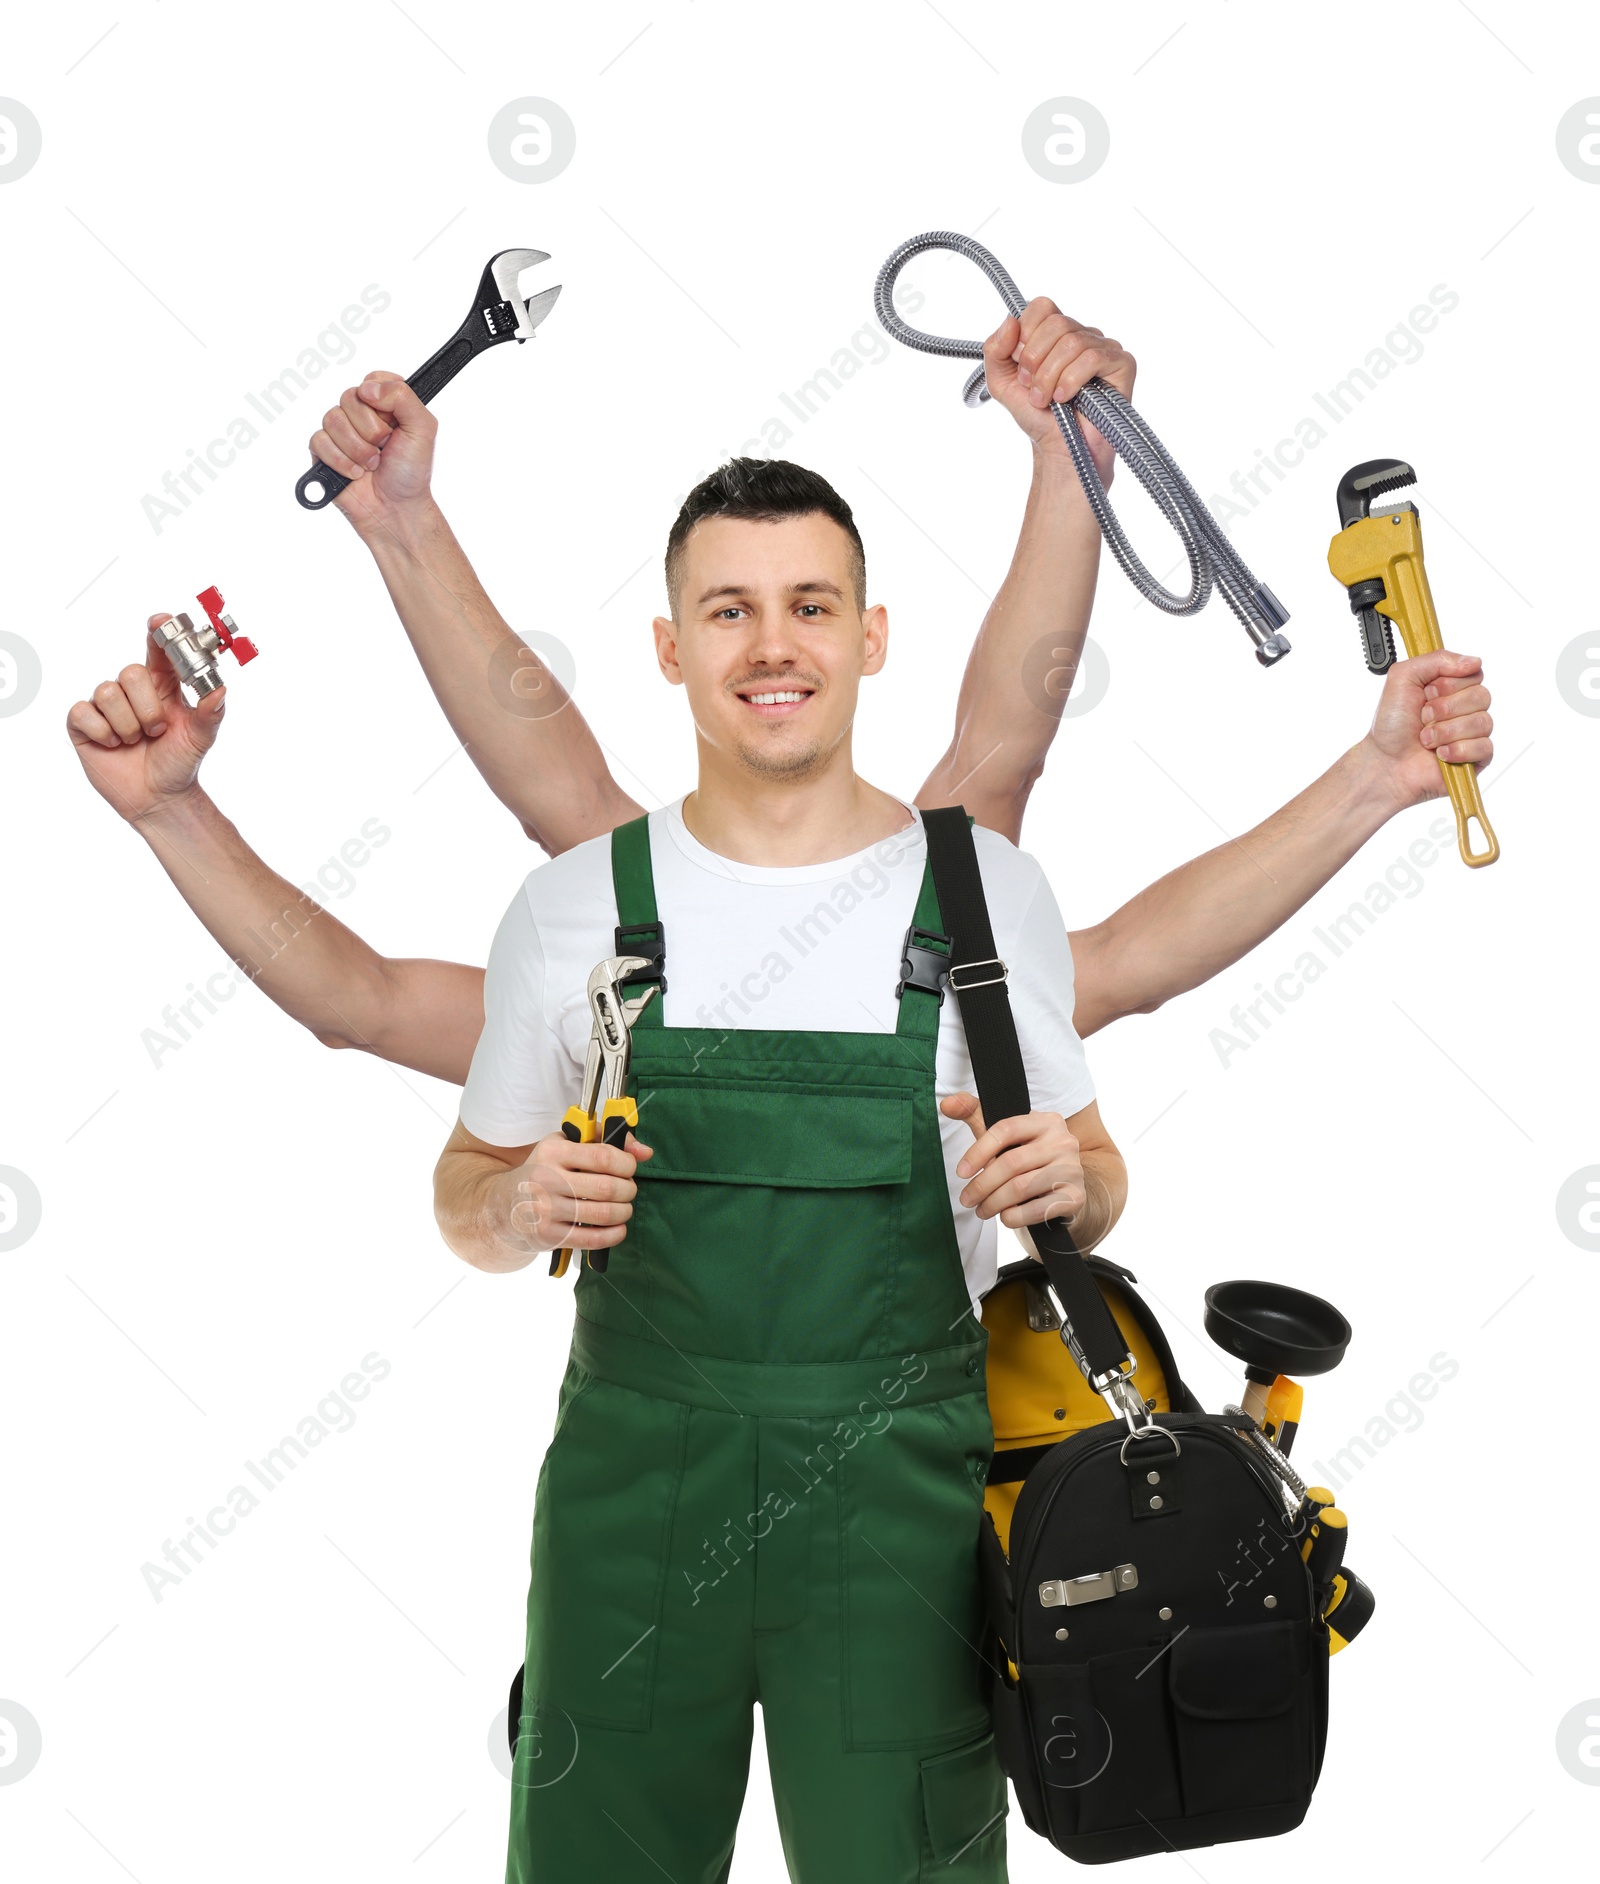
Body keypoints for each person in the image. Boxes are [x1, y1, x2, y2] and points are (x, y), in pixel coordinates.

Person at [434, 452, 1121, 1881]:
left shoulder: (982, 895)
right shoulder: (578, 912)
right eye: (730, 610)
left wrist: (1069, 1176)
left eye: (812, 605)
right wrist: (512, 1202)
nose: (774, 646)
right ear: (673, 648)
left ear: (871, 638)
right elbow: (467, 1191)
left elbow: (1098, 1172)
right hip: (633, 1501)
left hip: (901, 1515)